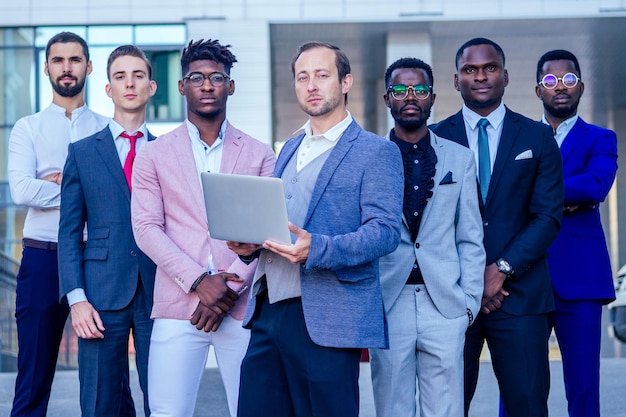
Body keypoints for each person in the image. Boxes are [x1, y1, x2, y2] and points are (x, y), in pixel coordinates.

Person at [228, 41, 404, 417]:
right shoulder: (289, 147)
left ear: (345, 82)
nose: (311, 85)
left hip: (329, 315)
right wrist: (251, 245)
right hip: (268, 310)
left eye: (322, 75)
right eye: (302, 77)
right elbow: (281, 222)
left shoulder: (376, 152)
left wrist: (317, 249)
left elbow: (386, 231)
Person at [131, 39, 276, 417]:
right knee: (166, 412)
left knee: (253, 410)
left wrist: (227, 289)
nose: (207, 85)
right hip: (178, 305)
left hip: (242, 306)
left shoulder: (260, 153)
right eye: (197, 77)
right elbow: (146, 228)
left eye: (217, 77)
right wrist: (199, 281)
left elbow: (269, 232)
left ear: (231, 86)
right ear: (182, 86)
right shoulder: (153, 154)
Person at [431, 37, 564, 417]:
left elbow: (547, 216)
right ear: (457, 81)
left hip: (520, 298)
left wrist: (501, 270)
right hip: (452, 299)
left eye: (489, 68)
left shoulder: (537, 137)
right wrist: (472, 278)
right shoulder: (436, 138)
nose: (481, 76)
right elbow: (429, 223)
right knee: (448, 406)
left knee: (527, 405)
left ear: (505, 76)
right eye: (470, 70)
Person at [369, 57, 485, 417]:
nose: (410, 97)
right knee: (393, 409)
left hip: (445, 304)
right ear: (387, 99)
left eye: (419, 89)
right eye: (400, 90)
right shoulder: (368, 158)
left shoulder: (460, 158)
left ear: (432, 97)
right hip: (389, 302)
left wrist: (468, 305)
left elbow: (470, 238)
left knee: (446, 410)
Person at [6, 31, 110, 417]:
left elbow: (119, 197)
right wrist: (85, 190)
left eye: (75, 59)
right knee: (33, 377)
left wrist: (58, 181)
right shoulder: (27, 128)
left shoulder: (107, 128)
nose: (67, 67)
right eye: (58, 60)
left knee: (108, 376)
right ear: (47, 67)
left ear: (88, 66)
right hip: (42, 260)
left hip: (96, 260)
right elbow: (21, 189)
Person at [57, 45, 158, 417]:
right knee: (99, 403)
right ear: (108, 89)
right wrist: (76, 298)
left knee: (163, 402)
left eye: (138, 75)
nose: (129, 83)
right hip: (99, 297)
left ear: (151, 86)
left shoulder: (168, 153)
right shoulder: (82, 152)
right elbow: (68, 232)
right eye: (120, 76)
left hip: (158, 296)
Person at [534, 49, 617, 417]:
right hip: (525, 276)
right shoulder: (520, 136)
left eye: (568, 79)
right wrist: (567, 196)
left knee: (583, 387)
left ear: (580, 86)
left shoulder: (601, 137)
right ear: (539, 90)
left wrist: (537, 192)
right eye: (551, 81)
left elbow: (596, 185)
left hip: (581, 279)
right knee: (521, 385)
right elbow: (504, 190)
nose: (560, 87)